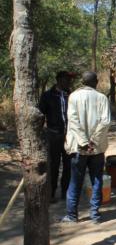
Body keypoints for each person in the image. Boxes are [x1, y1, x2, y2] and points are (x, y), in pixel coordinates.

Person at [62, 72, 111, 223]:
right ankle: (95, 215)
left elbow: (73, 121)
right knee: (97, 180)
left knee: (75, 181)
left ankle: (72, 215)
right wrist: (94, 141)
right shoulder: (102, 98)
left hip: (78, 147)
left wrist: (83, 142)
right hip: (96, 149)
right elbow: (105, 122)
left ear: (82, 82)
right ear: (96, 82)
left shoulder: (73, 97)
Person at [39, 71, 76, 203]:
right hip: (53, 135)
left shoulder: (72, 95)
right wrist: (41, 136)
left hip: (69, 136)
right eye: (67, 79)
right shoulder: (47, 96)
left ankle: (66, 193)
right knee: (53, 166)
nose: (70, 82)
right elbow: (40, 115)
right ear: (59, 80)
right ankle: (52, 194)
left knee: (68, 165)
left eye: (70, 80)